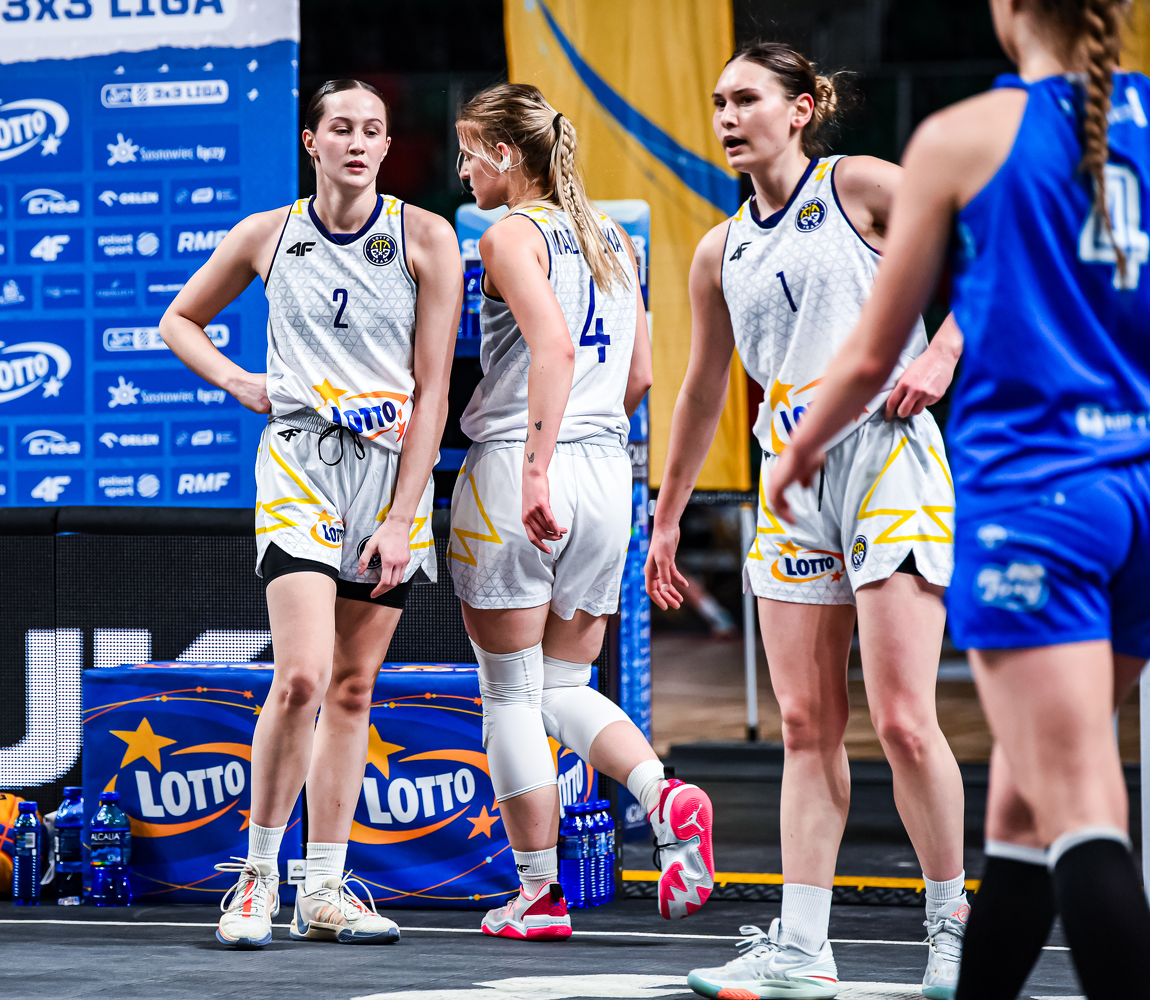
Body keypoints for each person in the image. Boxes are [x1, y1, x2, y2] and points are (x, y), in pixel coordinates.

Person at [765, 1, 1150, 996]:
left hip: (1040, 498)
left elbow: (869, 354)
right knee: (1021, 814)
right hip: (1136, 492)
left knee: (1080, 807)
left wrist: (796, 451)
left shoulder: (964, 137)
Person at [648, 43, 971, 999]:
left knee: (903, 720)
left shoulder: (859, 185)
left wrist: (945, 351)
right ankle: (801, 948)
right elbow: (701, 390)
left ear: (802, 108)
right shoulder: (719, 250)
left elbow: (997, 243)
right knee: (803, 724)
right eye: (718, 101)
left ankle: (951, 926)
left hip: (887, 460)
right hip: (791, 483)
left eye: (747, 98)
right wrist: (667, 517)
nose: (727, 116)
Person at [159, 78, 462, 949]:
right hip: (299, 463)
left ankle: (323, 889)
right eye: (341, 128)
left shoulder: (426, 236)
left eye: (373, 129)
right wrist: (239, 381)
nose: (358, 142)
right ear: (312, 141)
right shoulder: (267, 234)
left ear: (387, 145)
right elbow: (179, 320)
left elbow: (434, 389)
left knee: (354, 687)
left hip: (390, 476)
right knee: (299, 676)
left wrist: (403, 516)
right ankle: (256, 877)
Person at [449, 83, 716, 941]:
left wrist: (534, 470)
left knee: (510, 694)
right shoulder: (613, 238)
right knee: (564, 685)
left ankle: (537, 894)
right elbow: (641, 376)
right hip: (608, 470)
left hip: (522, 464)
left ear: (504, 154)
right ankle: (661, 795)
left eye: (469, 153)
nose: (461, 171)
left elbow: (553, 348)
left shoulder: (506, 235)